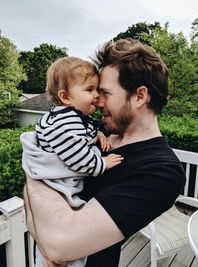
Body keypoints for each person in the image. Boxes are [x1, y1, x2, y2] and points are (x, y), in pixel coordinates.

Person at [22, 39, 186, 267]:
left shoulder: (161, 172)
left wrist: (33, 171)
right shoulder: (94, 132)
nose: (97, 102)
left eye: (105, 93)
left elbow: (59, 245)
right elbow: (48, 237)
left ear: (140, 96)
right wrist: (44, 242)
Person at [21, 56, 123, 267]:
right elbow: (78, 158)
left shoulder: (66, 116)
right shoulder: (67, 121)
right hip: (58, 185)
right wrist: (103, 163)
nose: (96, 96)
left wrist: (97, 135)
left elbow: (82, 134)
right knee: (63, 239)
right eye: (90, 90)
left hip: (52, 188)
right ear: (65, 97)